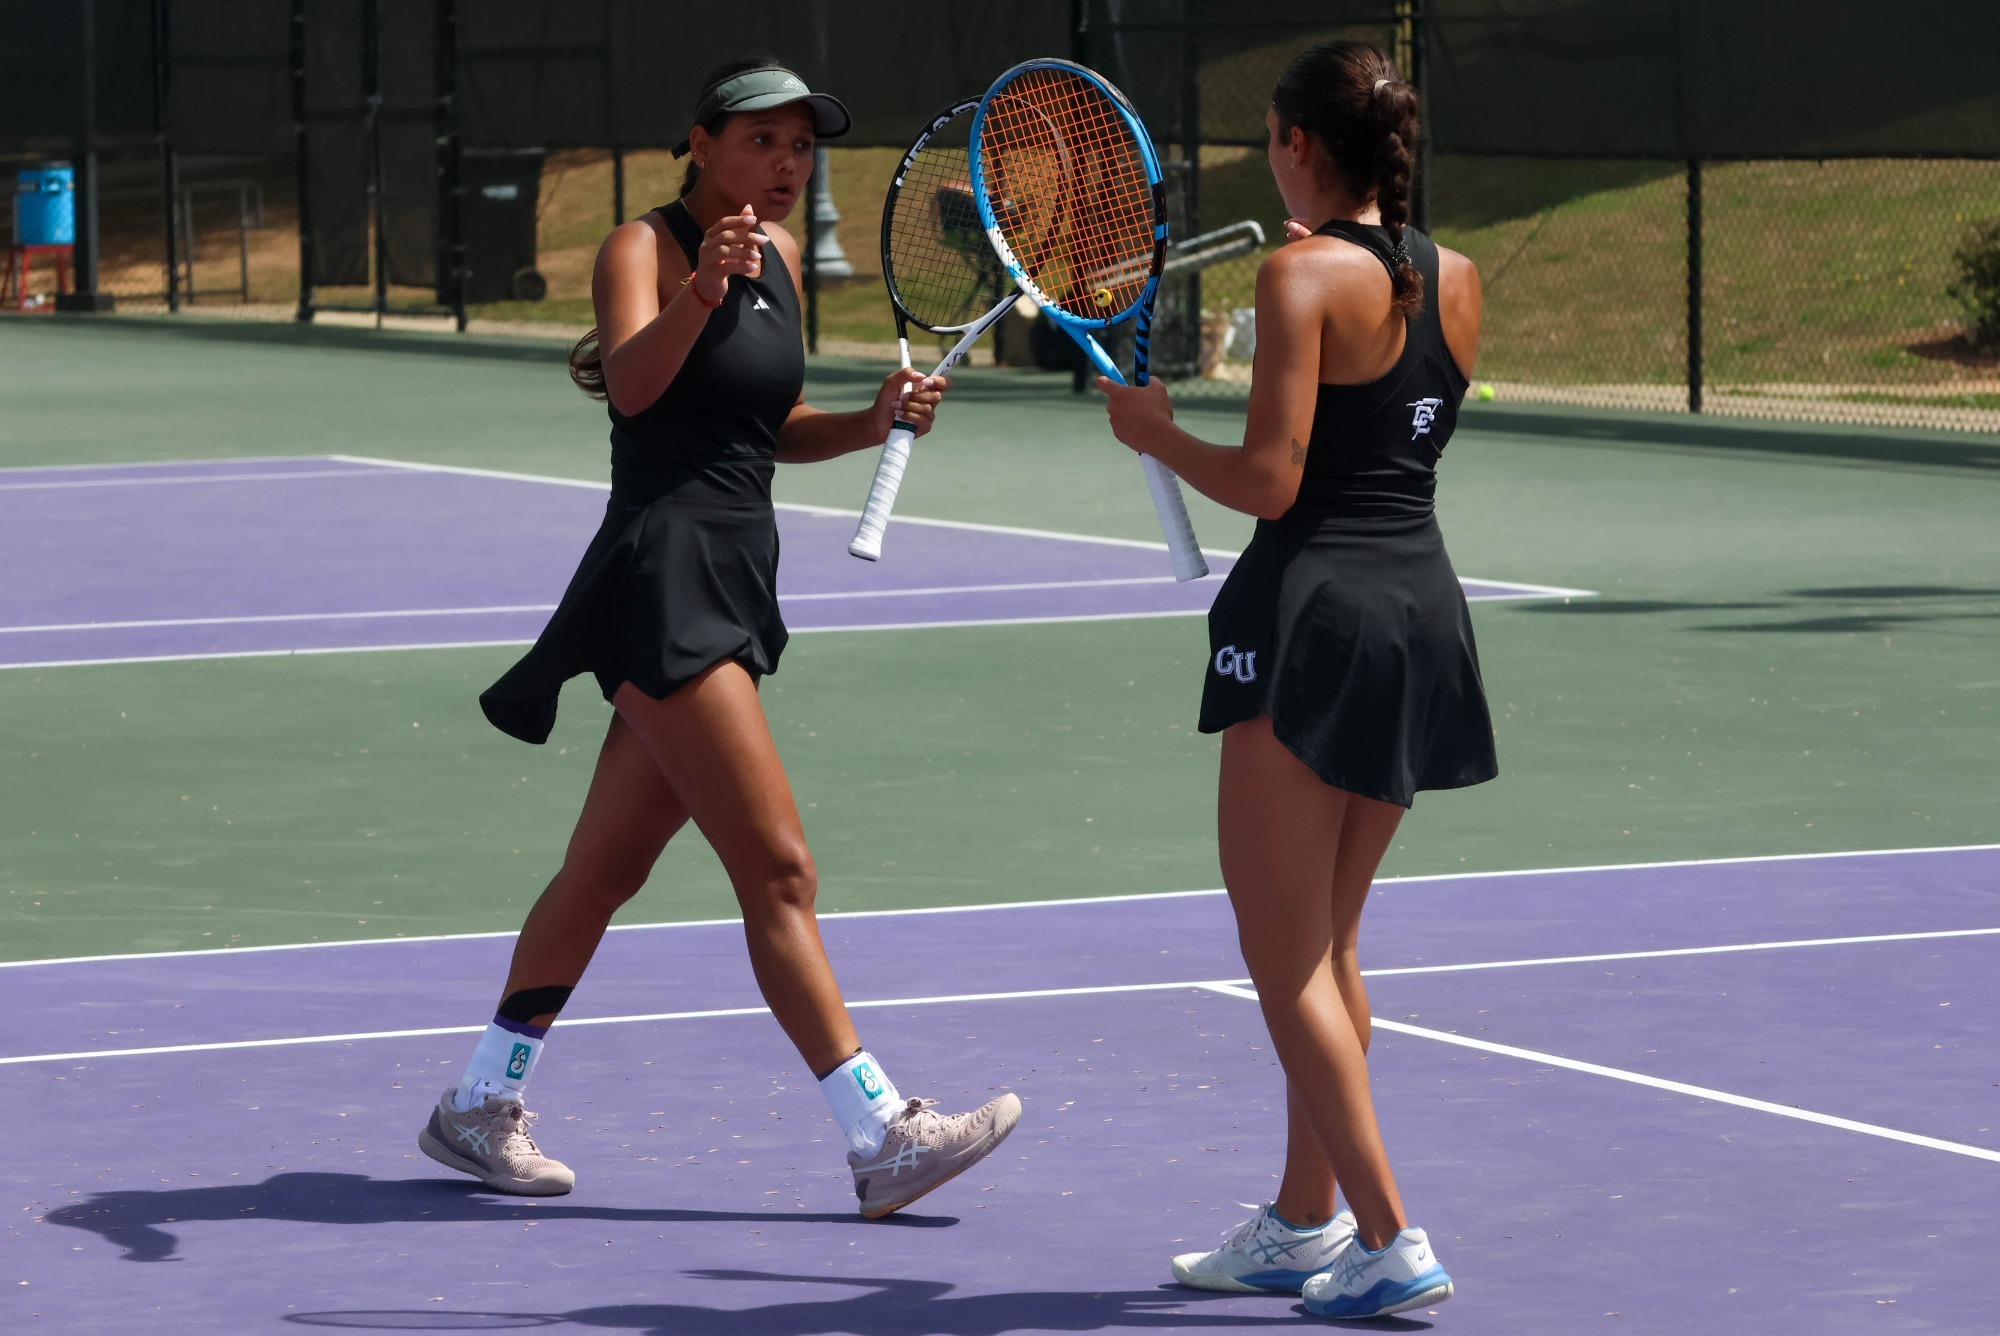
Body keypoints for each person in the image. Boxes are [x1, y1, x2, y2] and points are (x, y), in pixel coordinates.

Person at [418, 59, 1020, 1219]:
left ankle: (477, 1101)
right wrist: (697, 289)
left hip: (736, 574)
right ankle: (880, 1131)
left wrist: (868, 421)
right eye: (762, 142)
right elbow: (636, 391)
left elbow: (764, 422)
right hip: (663, 577)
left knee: (603, 870)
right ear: (701, 143)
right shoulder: (640, 250)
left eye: (801, 147)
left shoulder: (782, 255)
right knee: (779, 869)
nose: (786, 166)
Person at [1096, 40, 1492, 1321]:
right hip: (1419, 614)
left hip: (1310, 624)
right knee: (1329, 946)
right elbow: (1376, 428)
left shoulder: (1294, 274)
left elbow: (1271, 482)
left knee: (1283, 961)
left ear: (1296, 144)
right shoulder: (1454, 276)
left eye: (1268, 137)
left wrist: (1157, 433)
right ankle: (1301, 1217)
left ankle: (1386, 1236)